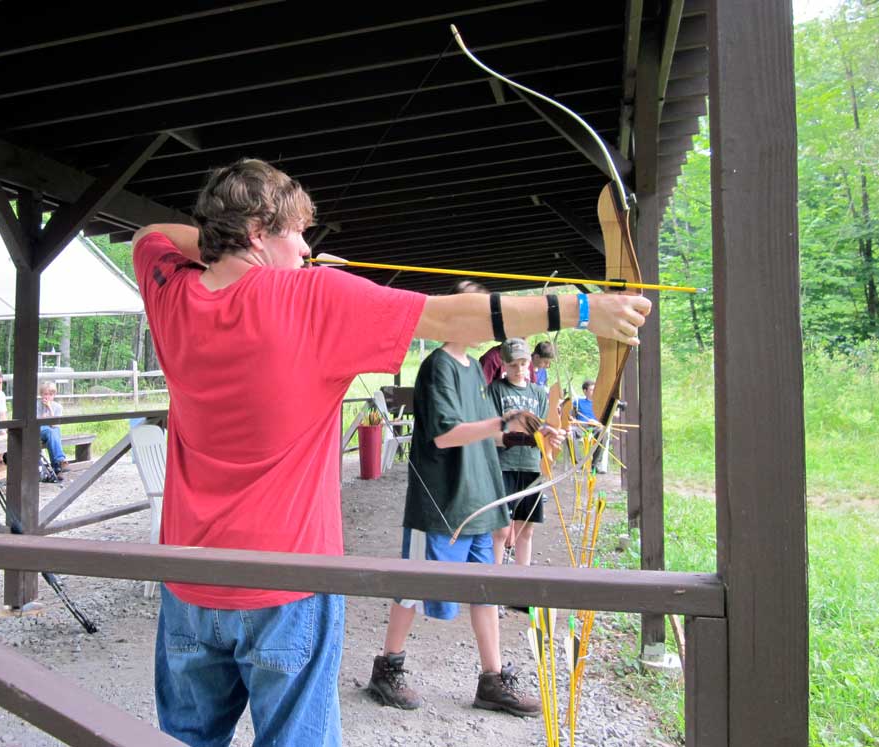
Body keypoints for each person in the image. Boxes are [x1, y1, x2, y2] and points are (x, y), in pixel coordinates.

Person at [131, 157, 651, 747]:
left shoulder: (171, 293)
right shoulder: (311, 296)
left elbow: (147, 236)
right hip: (285, 582)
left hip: (187, 582)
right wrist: (584, 308)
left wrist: (238, 253)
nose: (306, 246)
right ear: (256, 232)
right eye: (295, 232)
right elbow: (449, 315)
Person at [367, 288, 561, 718]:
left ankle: (493, 681)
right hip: (442, 500)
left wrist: (531, 432)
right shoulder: (438, 366)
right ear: (458, 316)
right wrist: (504, 419)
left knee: (484, 589)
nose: (491, 322)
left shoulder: (475, 369)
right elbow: (445, 434)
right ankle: (387, 668)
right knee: (414, 586)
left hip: (478, 497)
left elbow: (486, 433)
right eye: (481, 313)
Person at [489, 339, 549, 571]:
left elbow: (544, 429)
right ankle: (494, 578)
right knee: (501, 529)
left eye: (523, 364)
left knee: (527, 528)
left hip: (532, 466)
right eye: (513, 364)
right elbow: (491, 430)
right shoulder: (496, 390)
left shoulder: (538, 393)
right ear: (504, 364)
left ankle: (521, 581)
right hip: (503, 465)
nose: (519, 369)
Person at [37, 382, 69, 474]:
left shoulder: (58, 407)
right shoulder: (36, 405)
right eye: (45, 394)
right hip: (39, 431)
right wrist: (43, 418)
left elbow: (55, 425)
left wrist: (50, 409)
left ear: (54, 395)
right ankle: (60, 461)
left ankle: (57, 469)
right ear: (41, 394)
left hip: (52, 431)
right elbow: (36, 424)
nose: (48, 397)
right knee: (52, 432)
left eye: (50, 394)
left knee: (53, 433)